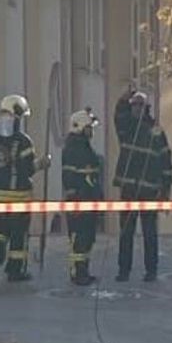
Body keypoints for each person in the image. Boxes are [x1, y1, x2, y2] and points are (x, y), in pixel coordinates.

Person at [0, 94, 45, 282]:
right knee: (18, 233)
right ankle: (15, 270)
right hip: (18, 197)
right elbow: (27, 169)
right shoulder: (23, 141)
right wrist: (42, 164)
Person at [113, 88, 172, 284]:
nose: (136, 109)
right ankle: (124, 271)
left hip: (149, 191)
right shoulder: (127, 129)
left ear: (146, 108)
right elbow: (118, 116)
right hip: (129, 190)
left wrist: (165, 191)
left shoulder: (156, 131)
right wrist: (125, 97)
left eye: (139, 106)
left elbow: (166, 161)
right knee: (126, 232)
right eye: (133, 106)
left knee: (149, 233)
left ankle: (151, 271)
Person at [62, 108, 104, 286]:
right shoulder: (73, 148)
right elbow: (69, 177)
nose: (91, 131)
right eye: (89, 127)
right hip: (79, 200)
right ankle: (78, 273)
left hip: (89, 199)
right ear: (80, 127)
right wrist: (74, 200)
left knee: (87, 237)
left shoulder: (84, 147)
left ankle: (84, 270)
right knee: (79, 238)